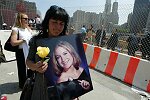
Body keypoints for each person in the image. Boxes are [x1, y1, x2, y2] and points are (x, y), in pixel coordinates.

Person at [26, 5, 70, 100]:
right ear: (47, 22)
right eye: (54, 22)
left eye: (61, 24)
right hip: (41, 87)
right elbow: (28, 61)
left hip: (62, 88)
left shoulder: (67, 42)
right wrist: (36, 67)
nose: (58, 27)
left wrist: (75, 91)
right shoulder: (36, 40)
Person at [10, 12, 33, 89]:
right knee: (22, 70)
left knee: (31, 68)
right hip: (20, 52)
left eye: (28, 19)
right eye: (25, 19)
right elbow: (13, 43)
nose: (27, 20)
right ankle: (23, 85)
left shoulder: (28, 29)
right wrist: (24, 40)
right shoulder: (15, 29)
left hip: (29, 50)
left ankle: (30, 83)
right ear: (20, 19)